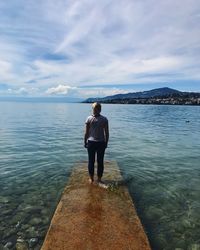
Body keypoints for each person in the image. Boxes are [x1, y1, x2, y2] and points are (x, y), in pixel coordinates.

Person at [84, 102, 109, 184]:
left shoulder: (88, 118)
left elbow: (86, 133)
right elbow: (107, 133)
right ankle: (99, 179)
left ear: (93, 109)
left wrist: (85, 141)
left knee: (91, 161)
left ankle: (91, 179)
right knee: (100, 161)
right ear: (100, 109)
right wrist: (106, 143)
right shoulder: (104, 119)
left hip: (91, 142)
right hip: (101, 142)